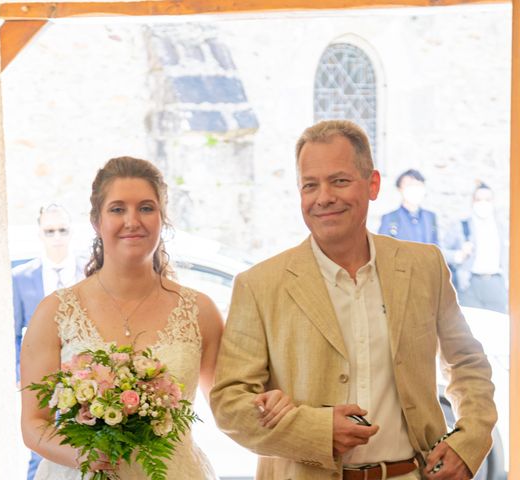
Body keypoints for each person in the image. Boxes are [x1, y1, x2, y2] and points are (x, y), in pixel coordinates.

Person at [210, 120, 497, 480]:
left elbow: (468, 364)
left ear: (373, 184)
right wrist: (316, 429)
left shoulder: (425, 266)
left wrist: (469, 441)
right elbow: (229, 404)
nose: (323, 197)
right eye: (310, 185)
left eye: (339, 181)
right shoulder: (259, 285)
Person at [20, 157, 290, 479]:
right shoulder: (56, 312)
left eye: (146, 208)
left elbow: (228, 404)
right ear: (97, 221)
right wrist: (83, 454)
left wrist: (266, 404)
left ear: (163, 218)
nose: (133, 221)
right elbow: (33, 424)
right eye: (117, 209)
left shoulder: (198, 311)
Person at [12, 203, 87, 480]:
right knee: (40, 449)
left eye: (62, 230)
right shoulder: (21, 278)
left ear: (71, 232)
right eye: (50, 231)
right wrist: (20, 376)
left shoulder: (89, 274)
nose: (56, 236)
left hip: (84, 379)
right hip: (41, 379)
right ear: (40, 234)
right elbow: (13, 331)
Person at [444, 182, 508, 313]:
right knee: (472, 327)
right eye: (479, 199)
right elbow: (441, 251)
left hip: (496, 282)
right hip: (469, 283)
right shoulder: (461, 226)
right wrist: (458, 255)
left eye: (487, 199)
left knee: (498, 326)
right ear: (472, 201)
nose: (483, 203)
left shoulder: (502, 227)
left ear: (493, 201)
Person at [378, 169, 438, 245]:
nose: (415, 189)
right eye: (409, 185)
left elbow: (436, 247)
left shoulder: (430, 217)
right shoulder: (390, 218)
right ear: (400, 189)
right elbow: (383, 249)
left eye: (418, 185)